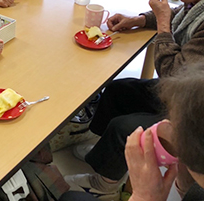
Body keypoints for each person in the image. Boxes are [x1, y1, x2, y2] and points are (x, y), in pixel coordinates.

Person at [65, 0, 204, 200]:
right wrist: (140, 19)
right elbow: (179, 16)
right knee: (119, 90)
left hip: (193, 113)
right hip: (185, 96)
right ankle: (102, 151)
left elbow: (175, 75)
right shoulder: (196, 6)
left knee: (124, 127)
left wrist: (162, 24)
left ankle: (105, 183)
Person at [60, 64, 204, 201]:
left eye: (175, 125)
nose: (166, 123)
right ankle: (103, 155)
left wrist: (143, 196)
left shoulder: (196, 193)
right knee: (118, 90)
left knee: (71, 198)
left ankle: (104, 186)